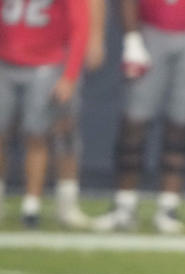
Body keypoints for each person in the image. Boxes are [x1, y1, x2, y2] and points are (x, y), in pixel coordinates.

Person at [91, 0, 185, 234]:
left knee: (181, 125)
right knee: (135, 121)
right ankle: (124, 204)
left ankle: (168, 206)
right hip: (151, 32)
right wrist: (132, 38)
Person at [0, 0, 89, 227]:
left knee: (37, 135)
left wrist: (69, 75)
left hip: (45, 63)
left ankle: (32, 204)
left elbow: (80, 26)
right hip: (4, 61)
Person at [50, 0, 107, 231]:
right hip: (17, 40)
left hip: (64, 46)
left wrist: (95, 36)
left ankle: (67, 202)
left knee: (66, 126)